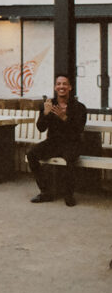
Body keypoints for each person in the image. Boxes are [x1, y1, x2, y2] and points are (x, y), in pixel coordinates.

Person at [28, 73, 87, 207]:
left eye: (65, 84)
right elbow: (41, 128)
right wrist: (46, 114)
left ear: (70, 87)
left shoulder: (79, 107)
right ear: (55, 87)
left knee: (70, 158)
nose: (62, 87)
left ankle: (69, 194)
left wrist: (64, 117)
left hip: (72, 143)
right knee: (31, 154)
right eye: (59, 84)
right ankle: (45, 192)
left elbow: (78, 130)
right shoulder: (48, 105)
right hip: (53, 143)